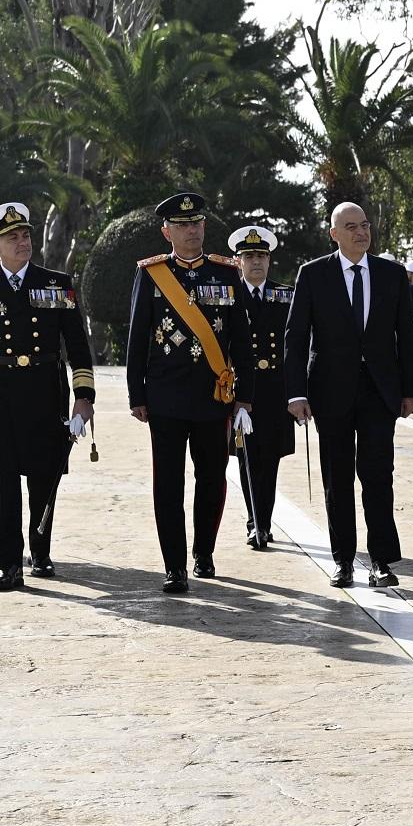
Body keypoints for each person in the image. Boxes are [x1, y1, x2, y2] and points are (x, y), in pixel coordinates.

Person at [0, 203, 94, 591]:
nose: (23, 241)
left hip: (46, 389)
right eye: (13, 237)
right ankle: (9, 563)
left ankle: (40, 549)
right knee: (4, 476)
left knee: (44, 474)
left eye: (26, 235)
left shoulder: (56, 283)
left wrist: (84, 396)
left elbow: (78, 345)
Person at [283, 201, 413, 589]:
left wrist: (410, 389)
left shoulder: (391, 275)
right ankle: (343, 560)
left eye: (365, 225)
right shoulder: (313, 275)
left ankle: (381, 560)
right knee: (338, 479)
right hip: (330, 391)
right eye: (351, 226)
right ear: (334, 234)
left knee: (378, 475)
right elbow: (295, 338)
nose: (361, 232)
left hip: (380, 392)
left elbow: (407, 337)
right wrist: (295, 393)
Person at [126, 192, 249, 593]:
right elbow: (137, 338)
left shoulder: (228, 272)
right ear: (166, 231)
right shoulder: (152, 274)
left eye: (196, 224)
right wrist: (136, 395)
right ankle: (174, 565)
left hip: (213, 396)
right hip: (164, 397)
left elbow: (242, 340)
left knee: (212, 478)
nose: (191, 231)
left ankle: (204, 552)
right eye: (181, 225)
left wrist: (244, 397)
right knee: (169, 484)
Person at [229, 223, 295, 551]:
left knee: (270, 459)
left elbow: (297, 344)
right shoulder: (228, 296)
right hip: (243, 392)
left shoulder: (284, 296)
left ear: (269, 261)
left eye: (261, 256)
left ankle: (264, 522)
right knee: (246, 458)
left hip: (275, 391)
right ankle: (255, 522)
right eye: (249, 256)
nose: (256, 262)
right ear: (238, 261)